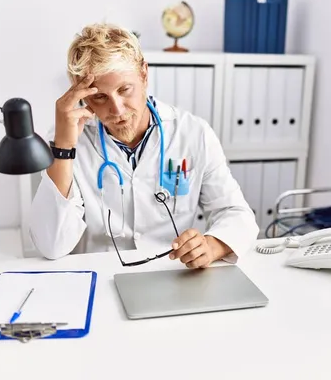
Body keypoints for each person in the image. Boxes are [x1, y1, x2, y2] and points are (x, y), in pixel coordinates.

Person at [29, 23, 258, 268]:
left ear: (144, 74)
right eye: (99, 97)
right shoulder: (69, 140)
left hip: (171, 272)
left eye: (125, 89)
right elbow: (51, 245)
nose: (117, 109)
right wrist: (63, 148)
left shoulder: (193, 133)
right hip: (102, 273)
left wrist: (213, 245)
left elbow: (237, 214)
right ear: (82, 96)